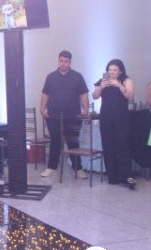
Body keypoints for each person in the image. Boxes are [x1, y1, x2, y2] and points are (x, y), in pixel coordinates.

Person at [40, 50, 90, 179]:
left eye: (66, 61)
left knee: (73, 141)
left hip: (73, 115)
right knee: (55, 140)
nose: (63, 63)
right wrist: (42, 108)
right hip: (53, 115)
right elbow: (45, 94)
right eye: (61, 61)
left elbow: (84, 94)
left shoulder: (77, 76)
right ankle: (51, 168)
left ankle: (78, 169)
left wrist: (85, 109)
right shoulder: (51, 77)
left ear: (70, 62)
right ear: (58, 61)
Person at [92, 59, 136, 189]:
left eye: (115, 70)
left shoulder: (126, 80)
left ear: (120, 71)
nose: (112, 72)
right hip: (106, 117)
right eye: (110, 70)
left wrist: (119, 85)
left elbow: (130, 95)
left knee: (122, 145)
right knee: (108, 145)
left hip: (121, 118)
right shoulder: (102, 80)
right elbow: (94, 96)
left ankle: (126, 176)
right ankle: (112, 176)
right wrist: (101, 86)